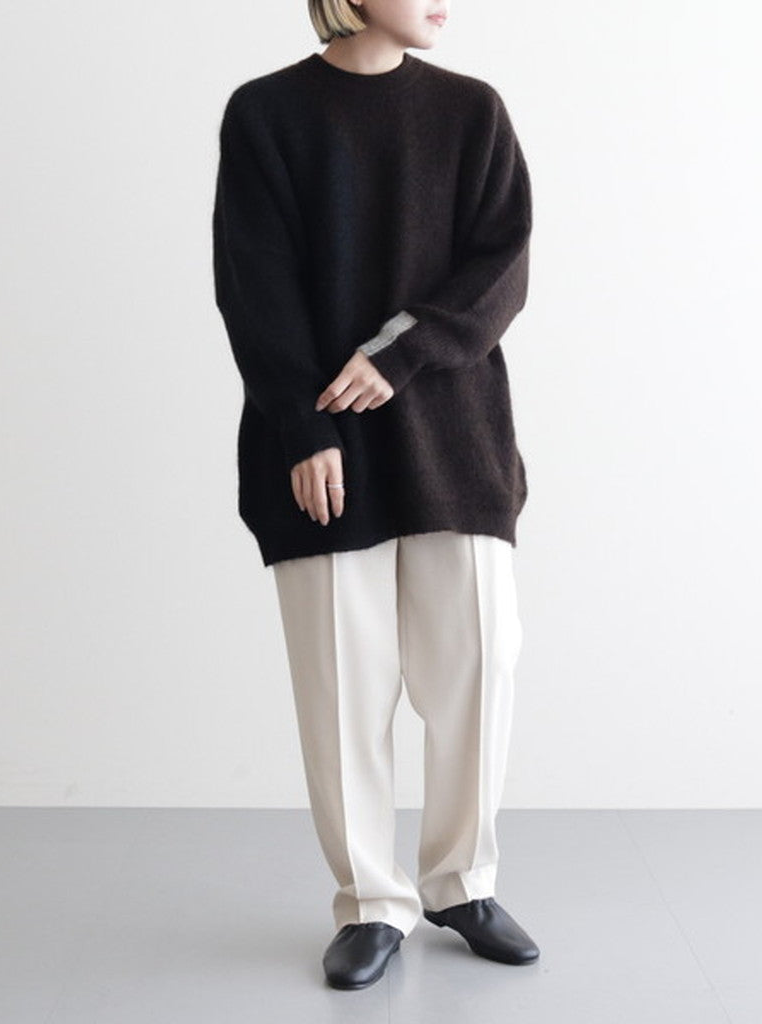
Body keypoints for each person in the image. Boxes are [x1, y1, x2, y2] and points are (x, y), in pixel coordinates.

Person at [212, 0, 540, 990]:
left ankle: (461, 882)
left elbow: (501, 269)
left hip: (455, 437)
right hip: (322, 441)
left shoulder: (472, 111)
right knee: (342, 684)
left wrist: (400, 353)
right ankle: (369, 900)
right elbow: (252, 283)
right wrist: (301, 427)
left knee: (478, 661)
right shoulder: (266, 113)